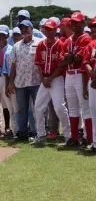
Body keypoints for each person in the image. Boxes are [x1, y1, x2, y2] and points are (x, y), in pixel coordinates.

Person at [31, 19, 70, 146]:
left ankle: (68, 136)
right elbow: (39, 65)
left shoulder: (60, 44)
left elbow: (60, 66)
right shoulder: (41, 45)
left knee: (59, 107)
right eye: (46, 29)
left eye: (50, 29)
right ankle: (40, 135)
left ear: (55, 29)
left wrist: (50, 78)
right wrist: (43, 79)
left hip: (56, 79)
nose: (48, 31)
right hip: (45, 79)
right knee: (38, 107)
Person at [59, 12, 93, 147]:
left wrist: (69, 57)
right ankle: (74, 138)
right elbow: (61, 60)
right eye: (72, 22)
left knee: (85, 108)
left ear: (82, 23)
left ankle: (89, 137)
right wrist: (70, 57)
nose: (74, 24)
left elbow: (79, 59)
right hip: (69, 74)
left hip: (80, 74)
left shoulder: (86, 38)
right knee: (72, 108)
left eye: (77, 22)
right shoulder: (68, 40)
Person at [9, 20, 42, 141]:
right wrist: (11, 82)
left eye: (26, 28)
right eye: (22, 28)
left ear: (32, 28)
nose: (24, 30)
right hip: (20, 83)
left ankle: (38, 132)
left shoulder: (40, 43)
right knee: (21, 109)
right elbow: (13, 65)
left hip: (36, 82)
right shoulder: (16, 46)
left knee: (37, 108)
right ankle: (22, 133)